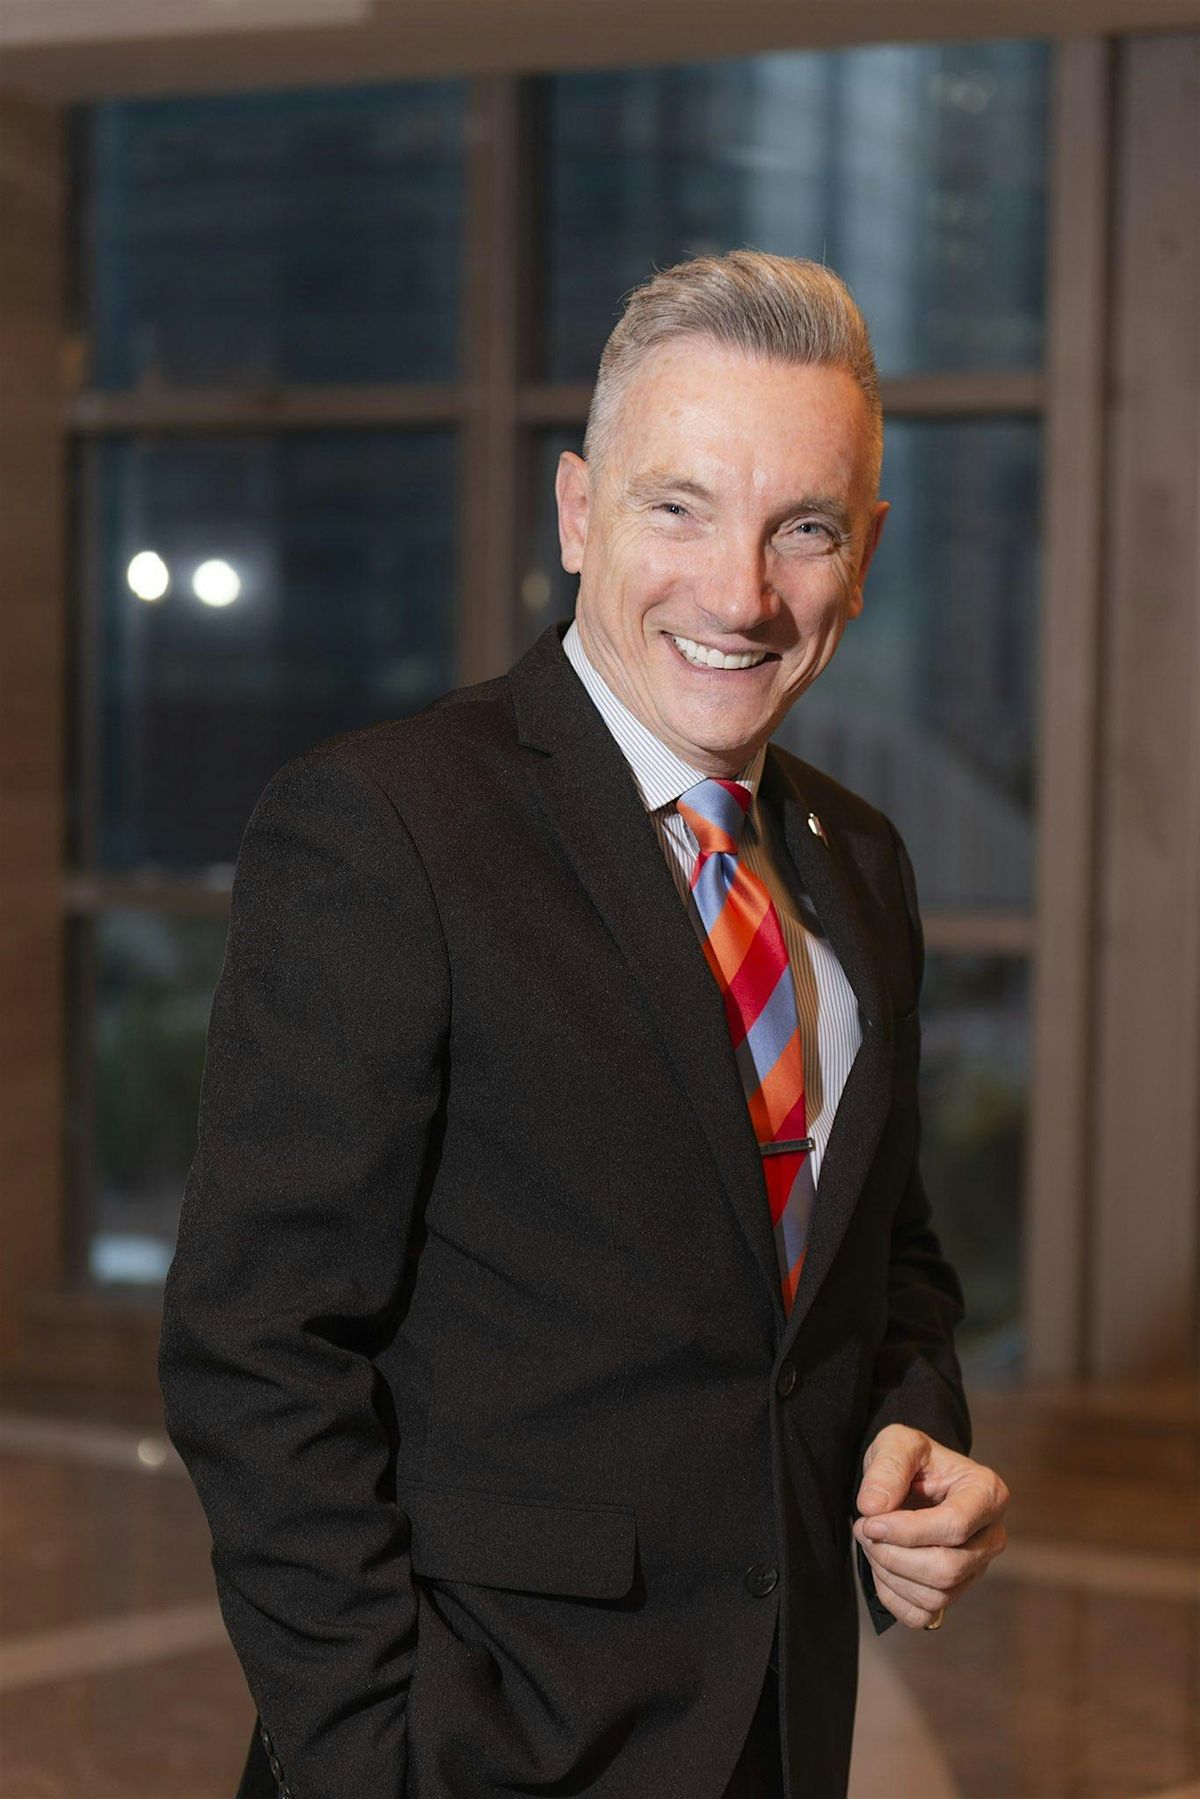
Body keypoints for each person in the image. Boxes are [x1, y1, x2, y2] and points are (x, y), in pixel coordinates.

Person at [159, 249, 1008, 1799]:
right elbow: (256, 1347)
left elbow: (886, 1263)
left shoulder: (860, 863)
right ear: (576, 512)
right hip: (486, 1744)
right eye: (679, 507)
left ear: (867, 550)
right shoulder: (386, 828)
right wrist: (374, 1756)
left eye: (803, 527)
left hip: (780, 1728)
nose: (740, 594)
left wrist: (916, 1427)